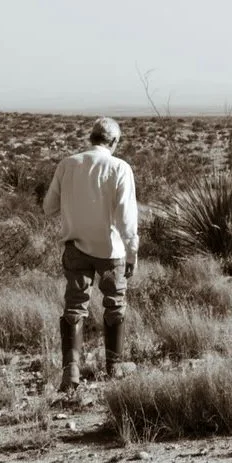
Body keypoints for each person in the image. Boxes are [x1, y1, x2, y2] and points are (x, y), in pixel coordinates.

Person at [41, 117, 139, 397]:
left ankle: (70, 373)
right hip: (111, 251)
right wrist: (132, 253)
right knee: (115, 304)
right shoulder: (120, 168)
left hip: (75, 249)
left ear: (91, 137)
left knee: (74, 306)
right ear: (115, 142)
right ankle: (114, 367)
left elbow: (48, 207)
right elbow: (126, 219)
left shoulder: (67, 165)